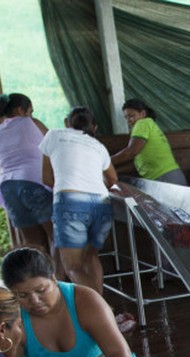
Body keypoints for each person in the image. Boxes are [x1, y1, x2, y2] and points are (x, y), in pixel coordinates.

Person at [1, 247, 143, 357]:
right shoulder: (14, 316)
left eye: (41, 290)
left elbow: (119, 353)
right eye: (23, 295)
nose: (35, 301)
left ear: (53, 278)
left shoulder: (86, 301)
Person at [39, 106, 118, 298]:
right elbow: (113, 180)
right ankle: (102, 313)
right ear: (95, 127)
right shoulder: (98, 146)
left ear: (67, 122)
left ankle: (103, 311)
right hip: (102, 204)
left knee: (73, 266)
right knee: (90, 259)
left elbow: (47, 178)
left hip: (71, 202)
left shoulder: (54, 135)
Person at [0, 93, 59, 273]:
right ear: (20, 110)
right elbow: (55, 145)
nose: (31, 115)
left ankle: (39, 284)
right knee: (56, 237)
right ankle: (58, 283)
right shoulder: (30, 122)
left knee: (33, 246)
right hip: (33, 182)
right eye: (30, 111)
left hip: (8, 188)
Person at [110, 99, 187, 186]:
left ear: (142, 114)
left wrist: (105, 161)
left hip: (165, 177)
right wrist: (112, 171)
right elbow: (136, 164)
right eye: (126, 117)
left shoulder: (142, 123)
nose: (128, 120)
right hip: (170, 175)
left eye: (131, 116)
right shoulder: (149, 125)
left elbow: (131, 152)